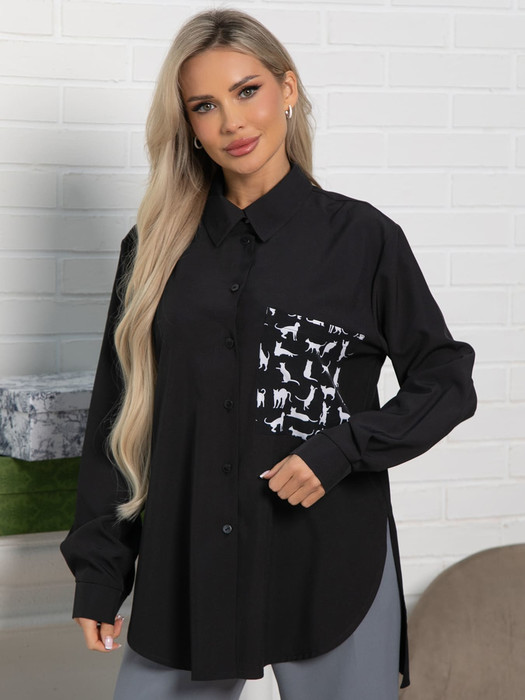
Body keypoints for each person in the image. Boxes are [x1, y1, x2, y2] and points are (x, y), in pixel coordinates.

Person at [60, 8, 477, 700]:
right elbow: (118, 414)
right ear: (188, 125)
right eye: (205, 106)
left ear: (287, 89)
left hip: (332, 565)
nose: (231, 122)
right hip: (188, 563)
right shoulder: (153, 252)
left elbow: (446, 380)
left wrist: (341, 449)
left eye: (247, 91)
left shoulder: (362, 239)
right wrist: (101, 574)